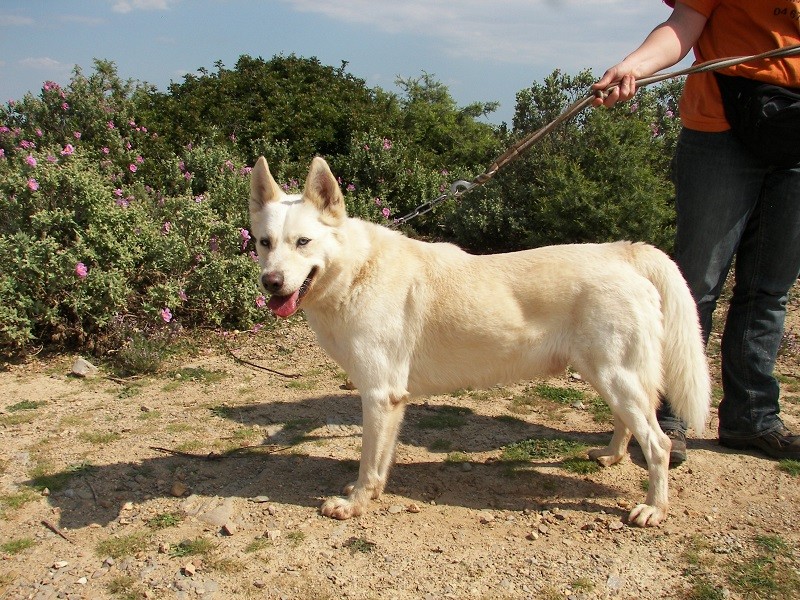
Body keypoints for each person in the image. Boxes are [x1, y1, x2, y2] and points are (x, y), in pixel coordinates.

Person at [591, 0, 800, 464]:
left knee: (771, 288)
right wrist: (633, 67)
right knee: (695, 283)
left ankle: (752, 419)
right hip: (722, 122)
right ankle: (668, 416)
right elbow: (685, 23)